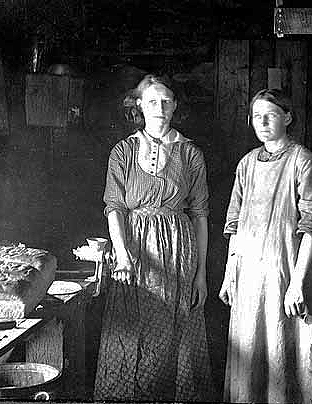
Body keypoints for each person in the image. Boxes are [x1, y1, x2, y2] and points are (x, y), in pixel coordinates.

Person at [95, 74, 214, 401]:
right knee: (133, 333)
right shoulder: (123, 151)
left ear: (175, 106)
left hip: (178, 253)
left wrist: (201, 275)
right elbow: (114, 207)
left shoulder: (191, 154)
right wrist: (122, 254)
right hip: (133, 255)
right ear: (139, 106)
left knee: (174, 338)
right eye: (151, 101)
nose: (159, 108)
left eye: (165, 101)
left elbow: (200, 215)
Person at [219, 88, 312, 403]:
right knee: (250, 362)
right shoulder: (246, 164)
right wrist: (230, 272)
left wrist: (296, 284)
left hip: (287, 277)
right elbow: (235, 223)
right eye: (257, 116)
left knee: (286, 357)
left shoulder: (304, 162)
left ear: (288, 117)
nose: (263, 121)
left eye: (271, 114)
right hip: (250, 280)